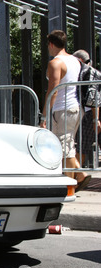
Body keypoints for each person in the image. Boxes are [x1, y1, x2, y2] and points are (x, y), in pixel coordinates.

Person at [40, 30, 91, 191]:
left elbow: (53, 90)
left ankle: (69, 186)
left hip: (62, 109)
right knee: (67, 143)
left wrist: (44, 115)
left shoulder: (56, 63)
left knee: (65, 148)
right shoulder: (75, 61)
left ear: (51, 44)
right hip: (75, 107)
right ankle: (80, 174)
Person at [73, 49, 101, 168]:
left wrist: (95, 119)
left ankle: (77, 176)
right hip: (94, 114)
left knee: (82, 146)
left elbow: (93, 97)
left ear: (80, 61)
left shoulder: (88, 73)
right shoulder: (93, 73)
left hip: (92, 114)